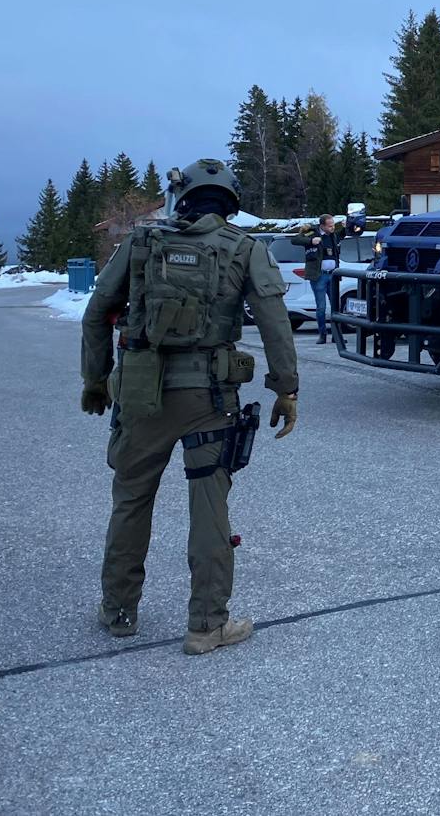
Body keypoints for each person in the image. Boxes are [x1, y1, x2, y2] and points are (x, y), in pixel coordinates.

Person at [80, 158, 300, 655]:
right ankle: (206, 625)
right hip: (209, 399)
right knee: (209, 506)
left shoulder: (141, 242)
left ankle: (119, 611)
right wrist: (286, 388)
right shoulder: (246, 249)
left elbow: (96, 314)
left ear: (184, 198)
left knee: (132, 500)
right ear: (231, 204)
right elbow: (274, 322)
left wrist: (95, 381)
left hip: (139, 395)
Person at [293, 213, 346, 344]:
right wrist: (311, 241)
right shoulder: (312, 233)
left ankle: (337, 335)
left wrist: (345, 228)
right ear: (322, 225)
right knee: (321, 307)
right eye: (330, 226)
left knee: (336, 307)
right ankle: (322, 334)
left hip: (333, 275)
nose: (332, 227)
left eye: (333, 225)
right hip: (319, 275)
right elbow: (295, 240)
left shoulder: (333, 236)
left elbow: (341, 236)